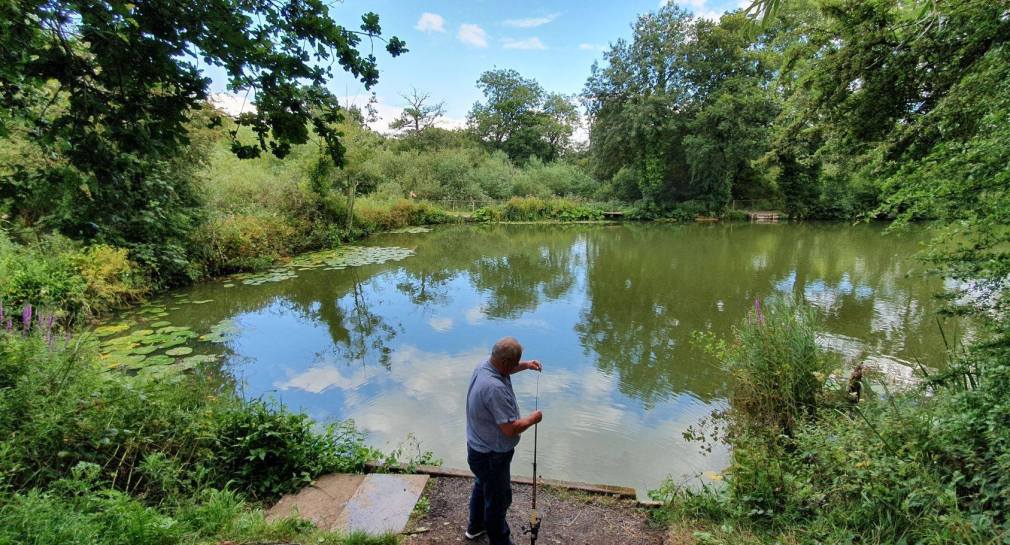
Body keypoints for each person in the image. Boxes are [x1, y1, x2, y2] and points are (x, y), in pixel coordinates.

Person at [465, 337, 543, 544]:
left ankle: (475, 527)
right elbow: (510, 429)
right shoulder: (494, 388)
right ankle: (500, 541)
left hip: (478, 449)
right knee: (498, 501)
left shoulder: (485, 365)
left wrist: (526, 366)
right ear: (505, 363)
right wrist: (533, 419)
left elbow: (506, 367)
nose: (516, 366)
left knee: (483, 486)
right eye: (515, 363)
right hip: (492, 456)